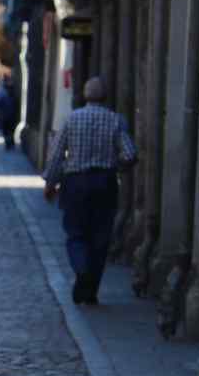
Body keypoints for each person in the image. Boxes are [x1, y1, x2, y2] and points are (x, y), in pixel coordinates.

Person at [43, 76, 137, 305]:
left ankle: (81, 270)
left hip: (75, 183)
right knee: (100, 238)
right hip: (105, 183)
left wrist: (50, 183)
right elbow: (130, 154)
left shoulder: (71, 120)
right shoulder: (116, 121)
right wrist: (117, 168)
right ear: (105, 96)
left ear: (85, 95)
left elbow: (56, 155)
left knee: (76, 233)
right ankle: (91, 290)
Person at [0, 77, 17, 150]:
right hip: (10, 117)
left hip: (6, 117)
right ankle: (9, 142)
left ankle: (8, 143)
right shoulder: (13, 98)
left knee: (7, 130)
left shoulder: (4, 97)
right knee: (9, 130)